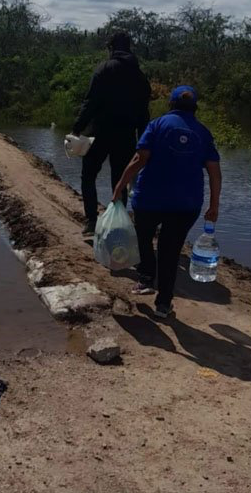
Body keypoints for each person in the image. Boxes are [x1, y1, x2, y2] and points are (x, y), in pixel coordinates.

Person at [111, 86, 221, 318]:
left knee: (143, 238)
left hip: (150, 199)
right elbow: (214, 171)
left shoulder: (157, 125)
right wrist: (214, 205)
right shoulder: (203, 132)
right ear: (195, 107)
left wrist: (120, 185)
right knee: (170, 252)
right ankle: (163, 304)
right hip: (186, 204)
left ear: (171, 104)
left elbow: (140, 158)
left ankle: (146, 278)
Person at [73, 31, 151, 235]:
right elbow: (144, 114)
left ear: (111, 48)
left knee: (88, 175)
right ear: (129, 47)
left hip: (99, 132)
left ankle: (91, 220)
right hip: (126, 137)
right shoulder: (140, 76)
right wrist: (144, 141)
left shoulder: (104, 69)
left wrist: (77, 126)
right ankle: (117, 223)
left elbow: (90, 102)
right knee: (121, 180)